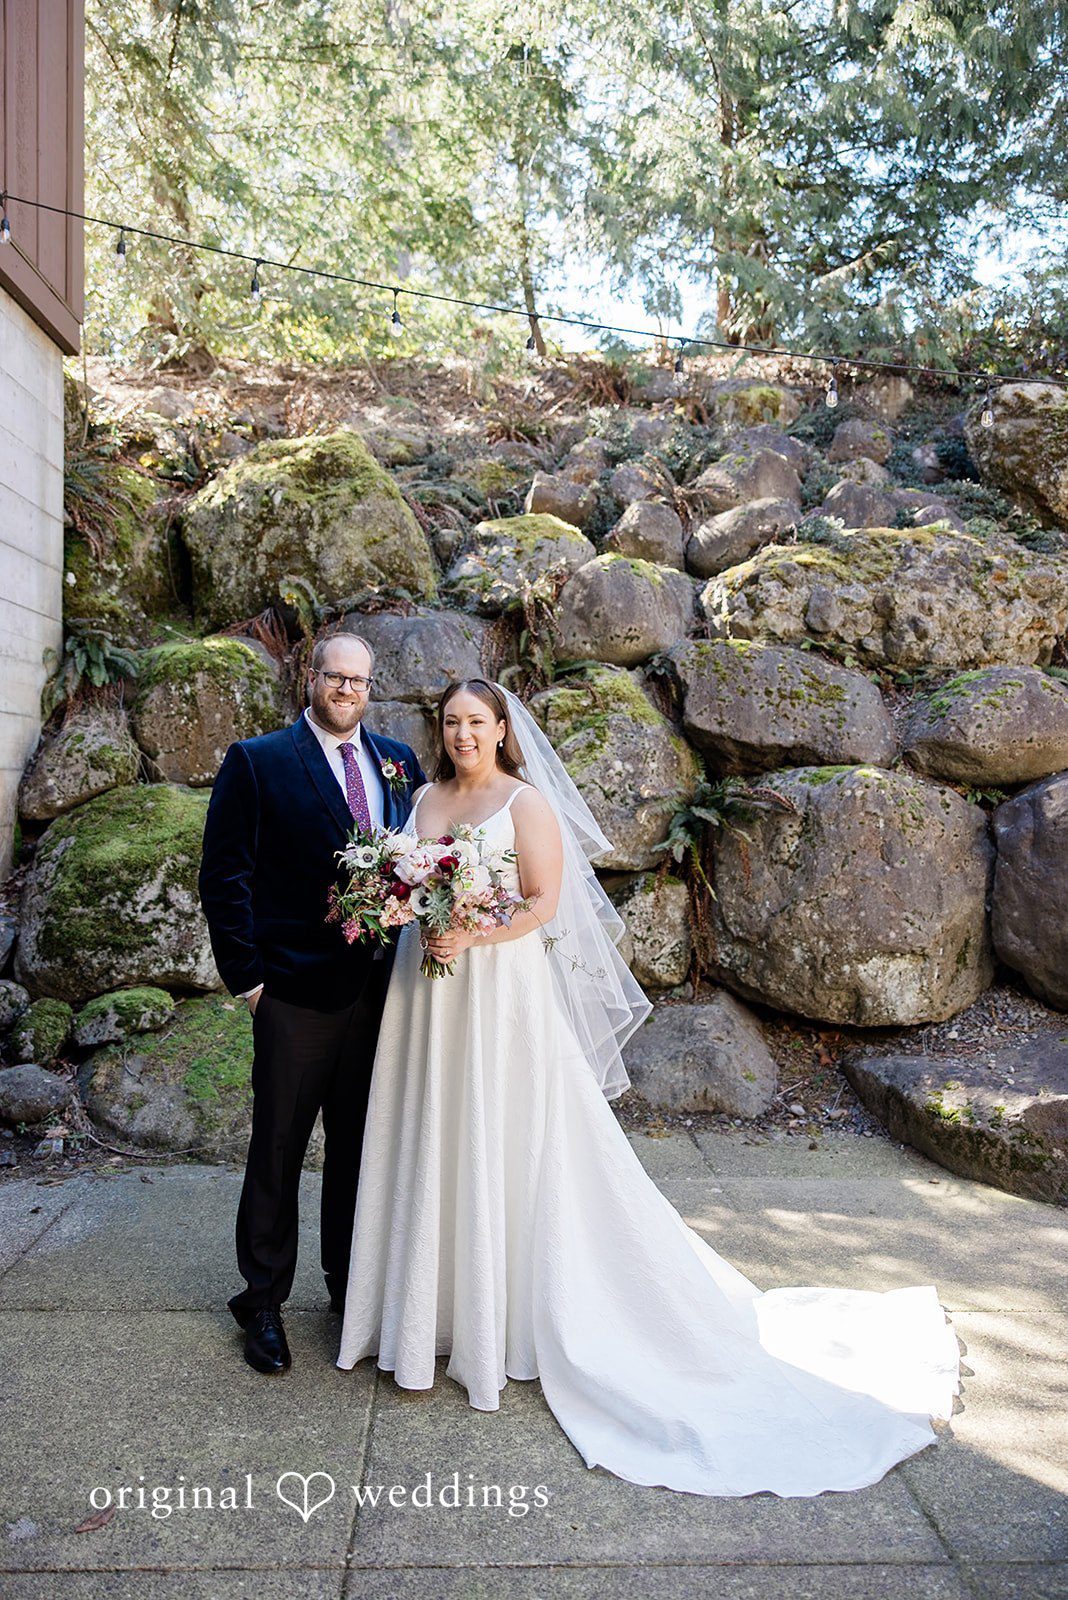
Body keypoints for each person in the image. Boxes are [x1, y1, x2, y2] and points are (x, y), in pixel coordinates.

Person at [335, 677, 962, 1498]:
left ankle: (510, 1320)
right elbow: (407, 886)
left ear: (500, 730)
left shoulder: (524, 806)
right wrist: (410, 914)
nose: (462, 734)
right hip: (429, 994)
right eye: (450, 721)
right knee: (436, 1132)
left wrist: (470, 929)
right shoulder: (421, 801)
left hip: (496, 993)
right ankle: (431, 1317)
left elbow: (540, 905)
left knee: (506, 1137)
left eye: (476, 722)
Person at [198, 631, 426, 1376]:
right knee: (278, 1150)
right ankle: (261, 1300)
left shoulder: (398, 761)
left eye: (360, 680)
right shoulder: (258, 761)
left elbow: (416, 862)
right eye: (336, 677)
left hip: (380, 991)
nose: (347, 690)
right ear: (313, 676)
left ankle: (347, 1290)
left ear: (370, 686)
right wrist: (251, 981)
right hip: (294, 993)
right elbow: (224, 877)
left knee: (362, 1149)